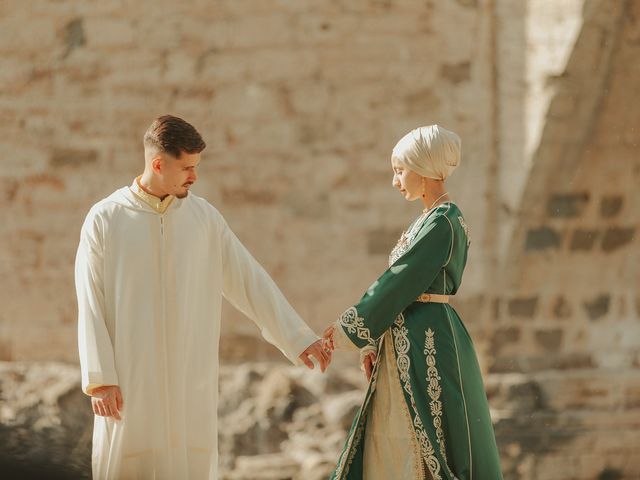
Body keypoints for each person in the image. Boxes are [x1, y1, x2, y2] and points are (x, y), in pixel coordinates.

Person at [75, 115, 331, 480]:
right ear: (158, 164)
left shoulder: (205, 220)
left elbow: (249, 279)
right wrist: (100, 377)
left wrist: (298, 337)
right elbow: (90, 299)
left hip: (188, 378)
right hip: (131, 381)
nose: (194, 177)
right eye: (187, 168)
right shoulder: (106, 219)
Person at [322, 125, 502, 480]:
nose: (395, 181)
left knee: (435, 442)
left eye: (400, 170)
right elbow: (401, 285)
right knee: (391, 439)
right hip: (406, 339)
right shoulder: (426, 220)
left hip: (428, 341)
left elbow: (400, 280)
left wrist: (350, 329)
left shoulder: (444, 221)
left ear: (423, 169)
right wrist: (373, 342)